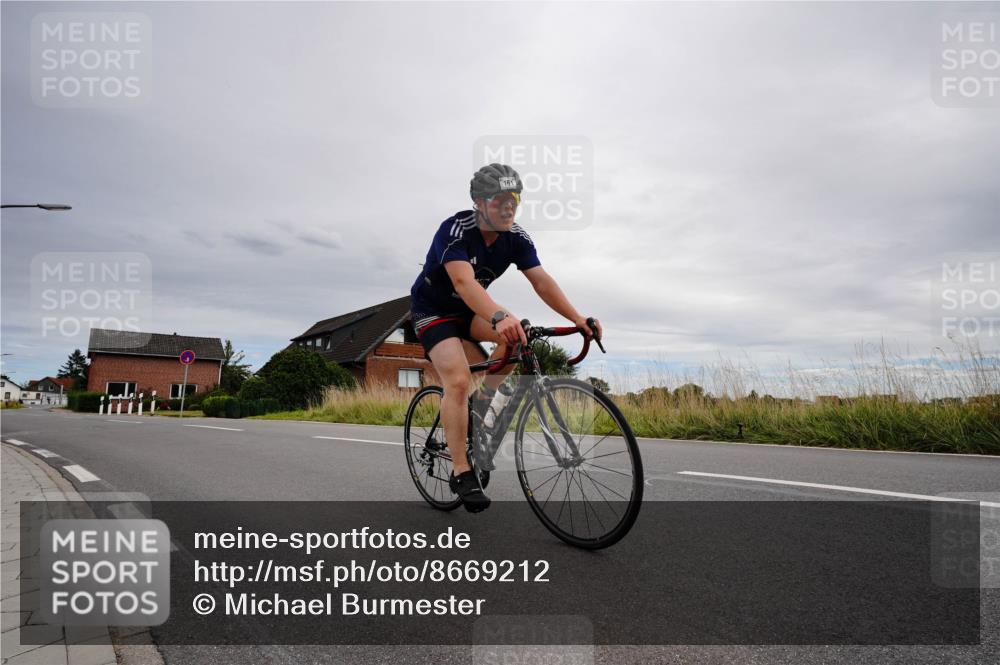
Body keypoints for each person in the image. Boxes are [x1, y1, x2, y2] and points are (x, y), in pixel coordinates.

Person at [409, 163, 602, 512]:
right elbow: (464, 284)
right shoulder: (455, 229)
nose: (509, 207)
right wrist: (498, 315)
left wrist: (577, 318)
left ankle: (483, 400)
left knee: (518, 335)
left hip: (469, 312)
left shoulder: (517, 237)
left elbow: (541, 281)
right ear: (479, 203)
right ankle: (461, 470)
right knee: (457, 379)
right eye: (501, 200)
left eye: (515, 199)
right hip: (433, 311)